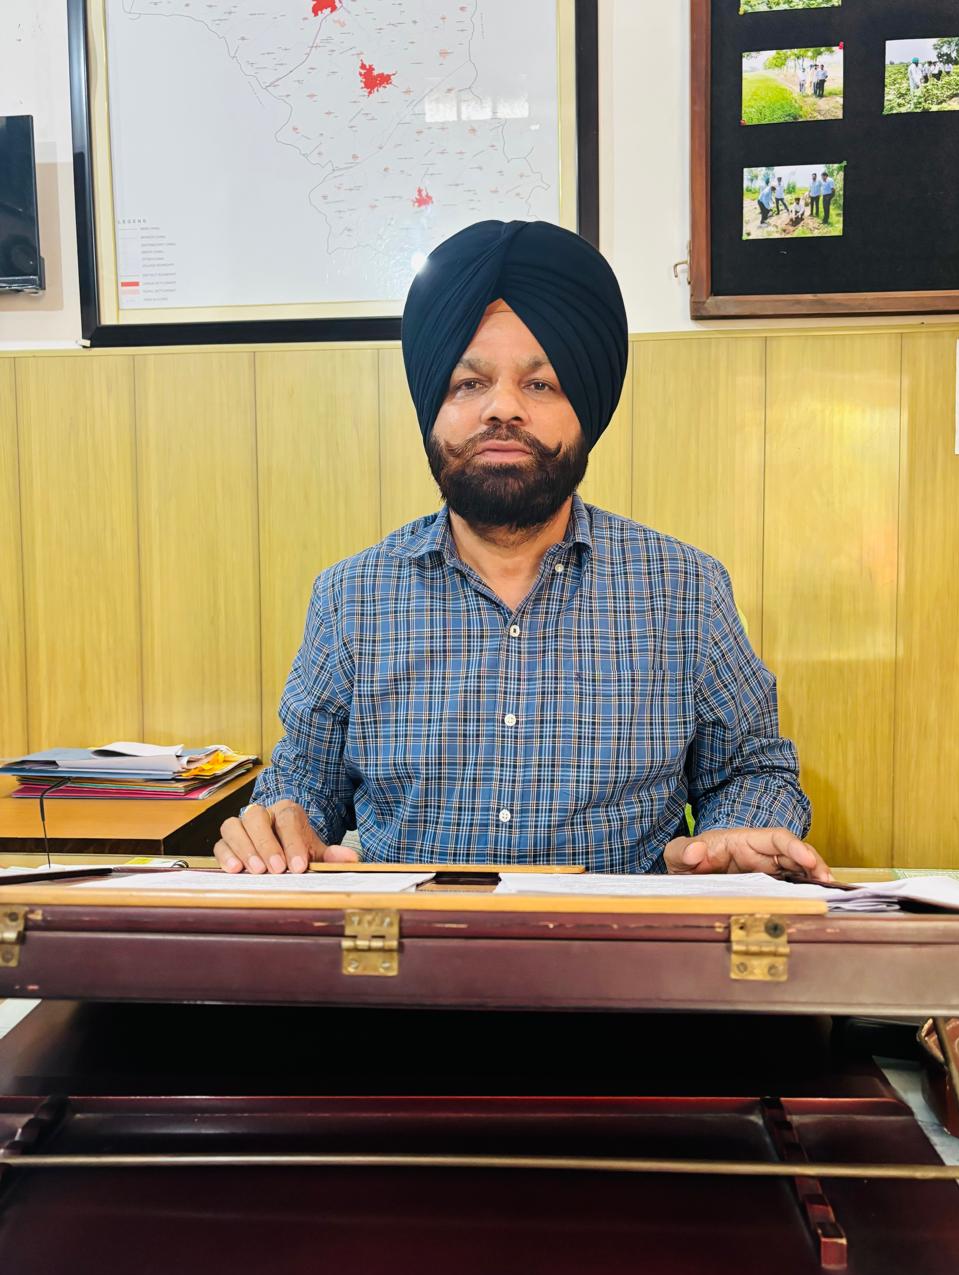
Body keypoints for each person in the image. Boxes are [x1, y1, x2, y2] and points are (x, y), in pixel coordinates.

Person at [216, 219, 828, 882]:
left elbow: (753, 769)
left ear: (585, 412)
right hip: (409, 942)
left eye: (540, 384)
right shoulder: (351, 597)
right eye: (468, 384)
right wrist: (279, 824)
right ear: (432, 409)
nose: (502, 409)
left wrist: (731, 835)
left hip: (621, 942)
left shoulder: (685, 589)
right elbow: (302, 786)